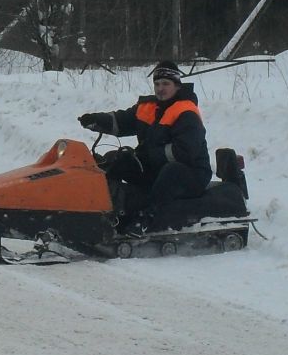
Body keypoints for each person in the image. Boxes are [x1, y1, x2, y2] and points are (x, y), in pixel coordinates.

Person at [78, 60, 212, 235]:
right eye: (157, 84)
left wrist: (146, 157)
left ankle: (147, 218)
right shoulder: (149, 107)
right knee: (115, 160)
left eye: (166, 84)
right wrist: (96, 120)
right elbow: (122, 121)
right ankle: (103, 209)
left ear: (177, 86)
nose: (160, 88)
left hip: (191, 173)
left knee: (171, 171)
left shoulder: (186, 112)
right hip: (157, 168)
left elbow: (185, 152)